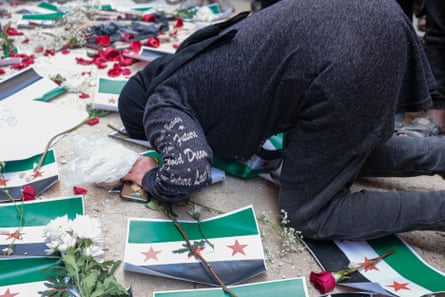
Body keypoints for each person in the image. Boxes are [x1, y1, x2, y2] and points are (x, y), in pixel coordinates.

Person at [118, 0, 443, 241]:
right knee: (346, 150)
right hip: (379, 15)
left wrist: (151, 177)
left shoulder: (161, 102)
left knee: (308, 213)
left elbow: (190, 172)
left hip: (343, 61)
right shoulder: (195, 58)